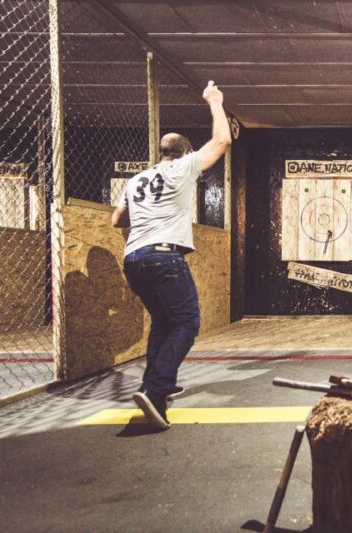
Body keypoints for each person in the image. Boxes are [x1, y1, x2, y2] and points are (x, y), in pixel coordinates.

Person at [111, 80, 231, 429]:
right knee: (187, 322)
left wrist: (148, 216)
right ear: (185, 153)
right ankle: (157, 389)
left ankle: (155, 394)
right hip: (164, 257)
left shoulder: (136, 180)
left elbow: (117, 219)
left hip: (134, 258)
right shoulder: (182, 169)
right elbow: (222, 140)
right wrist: (215, 101)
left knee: (164, 322)